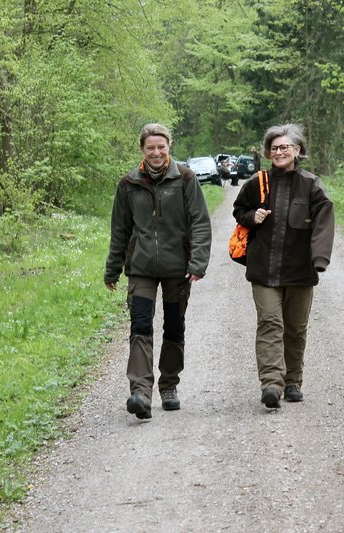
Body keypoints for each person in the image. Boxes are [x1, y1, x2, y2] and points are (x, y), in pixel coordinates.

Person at [104, 123, 212, 420]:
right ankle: (140, 392)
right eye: (150, 147)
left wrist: (198, 262)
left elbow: (200, 222)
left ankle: (169, 386)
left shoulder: (185, 178)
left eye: (161, 147)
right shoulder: (129, 183)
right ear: (142, 149)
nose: (156, 152)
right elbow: (120, 230)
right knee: (140, 326)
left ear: (169, 147)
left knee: (174, 327)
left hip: (178, 269)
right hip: (141, 268)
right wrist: (112, 269)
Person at [232, 124, 335, 409]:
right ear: (268, 153)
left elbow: (324, 221)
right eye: (274, 148)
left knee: (295, 328)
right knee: (269, 323)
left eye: (284, 147)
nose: (279, 152)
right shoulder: (257, 182)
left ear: (297, 150)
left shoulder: (311, 185)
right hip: (263, 270)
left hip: (300, 271)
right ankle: (271, 384)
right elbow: (239, 209)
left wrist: (320, 258)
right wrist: (252, 217)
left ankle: (292, 382)